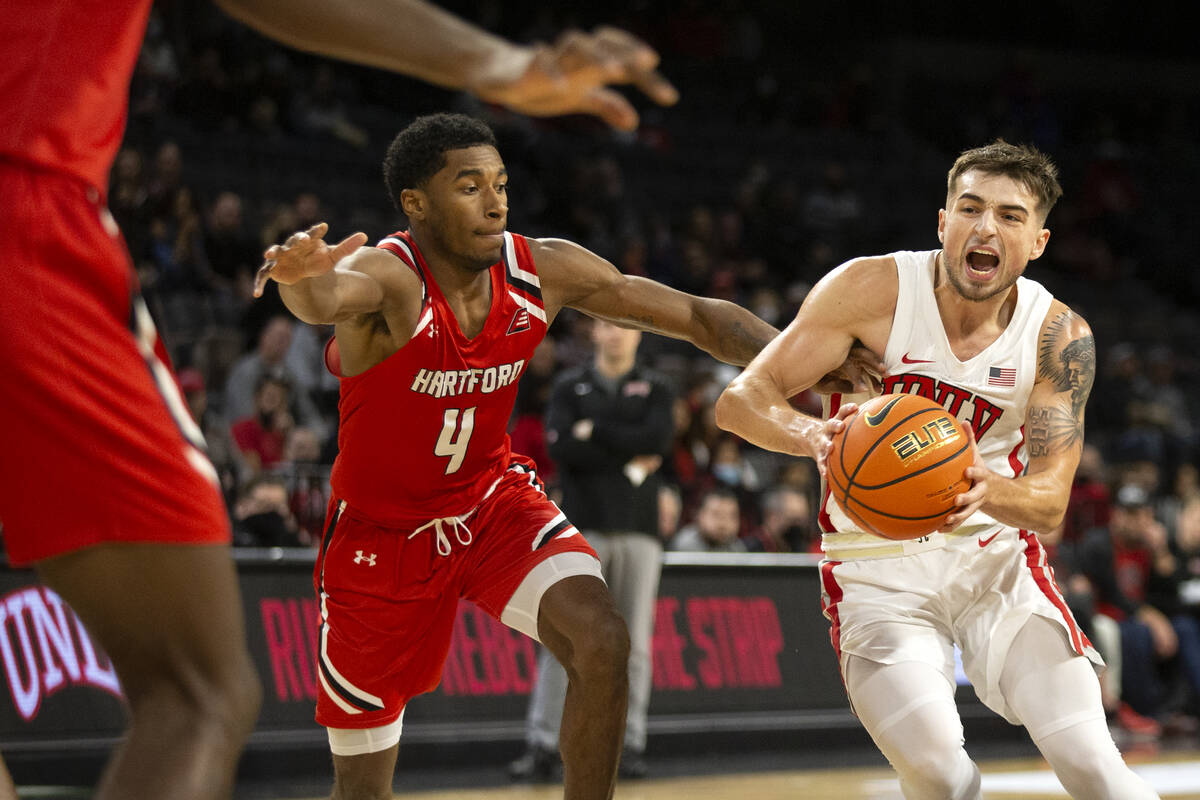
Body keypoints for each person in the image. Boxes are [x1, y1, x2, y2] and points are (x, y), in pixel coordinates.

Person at [0, 1, 684, 796]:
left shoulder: (539, 269)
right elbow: (331, 293)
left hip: (487, 503)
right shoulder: (398, 275)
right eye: (471, 185)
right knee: (199, 696)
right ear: (420, 205)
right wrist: (498, 64)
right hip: (373, 530)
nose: (494, 201)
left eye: (498, 184)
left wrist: (785, 350)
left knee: (600, 637)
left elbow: (685, 311)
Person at [714, 140, 1159, 799]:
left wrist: (988, 489)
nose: (986, 228)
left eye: (1009, 216)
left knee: (1098, 771)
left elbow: (1048, 504)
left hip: (996, 568)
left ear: (1037, 241)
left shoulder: (1057, 336)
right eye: (971, 208)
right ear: (943, 222)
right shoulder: (871, 289)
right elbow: (740, 401)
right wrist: (814, 436)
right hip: (876, 572)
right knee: (944, 778)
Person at [510, 319, 675, 783]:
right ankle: (544, 745)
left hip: (640, 528)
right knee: (563, 637)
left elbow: (658, 441)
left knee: (634, 644)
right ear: (594, 333)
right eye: (608, 325)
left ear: (640, 334)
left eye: (626, 326)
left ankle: (630, 745)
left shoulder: (659, 387)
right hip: (579, 532)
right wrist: (627, 449)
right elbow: (562, 449)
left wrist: (593, 432)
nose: (618, 333)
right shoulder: (569, 385)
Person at [668, 486, 746, 553]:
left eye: (731, 516)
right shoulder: (684, 546)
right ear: (700, 515)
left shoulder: (737, 549)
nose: (723, 524)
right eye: (716, 514)